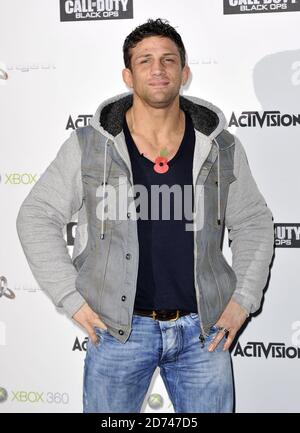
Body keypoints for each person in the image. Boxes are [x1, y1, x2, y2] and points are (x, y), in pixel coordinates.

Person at [16, 18, 274, 413]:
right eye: (145, 61)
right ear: (128, 75)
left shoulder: (220, 147)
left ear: (184, 73)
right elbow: (36, 215)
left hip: (204, 333)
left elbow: (254, 221)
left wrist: (243, 298)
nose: (158, 69)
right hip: (118, 332)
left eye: (169, 60)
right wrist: (70, 297)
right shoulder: (89, 146)